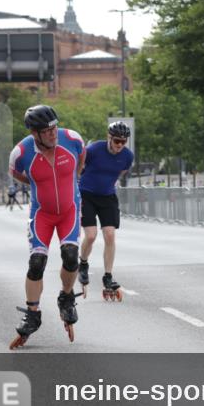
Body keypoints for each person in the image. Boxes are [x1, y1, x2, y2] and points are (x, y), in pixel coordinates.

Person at [7, 105, 86, 349]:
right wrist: (37, 183)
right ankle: (33, 314)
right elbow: (17, 174)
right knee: (36, 262)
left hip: (69, 211)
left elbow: (80, 162)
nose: (53, 133)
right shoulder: (20, 153)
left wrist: (70, 182)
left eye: (54, 128)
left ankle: (66, 296)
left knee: (71, 256)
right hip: (41, 214)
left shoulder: (72, 139)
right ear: (34, 133)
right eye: (47, 131)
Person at [78, 120, 134, 301]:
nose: (120, 145)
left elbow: (121, 172)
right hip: (86, 195)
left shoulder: (127, 156)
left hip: (107, 196)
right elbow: (78, 168)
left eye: (123, 142)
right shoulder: (93, 149)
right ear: (109, 137)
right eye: (117, 141)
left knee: (110, 235)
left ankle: (108, 276)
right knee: (91, 236)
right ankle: (83, 263)